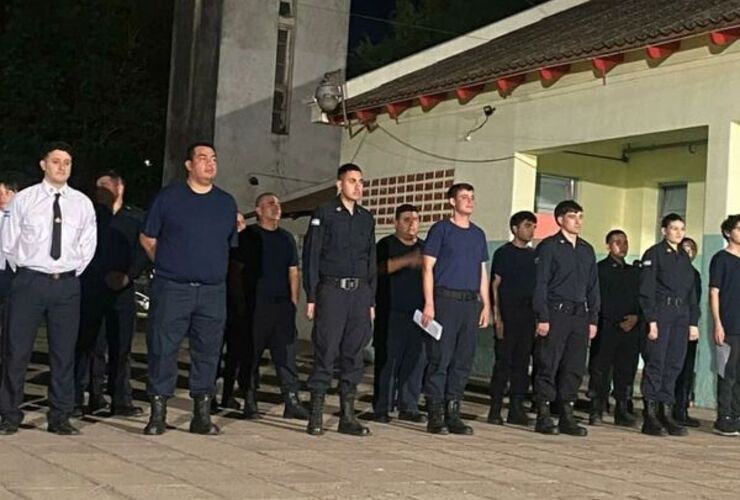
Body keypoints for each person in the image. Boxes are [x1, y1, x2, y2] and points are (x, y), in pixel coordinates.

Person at [139, 142, 238, 436]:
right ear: (188, 164)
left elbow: (228, 244)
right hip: (173, 288)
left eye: (214, 159)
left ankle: (202, 415)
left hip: (211, 291)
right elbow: (148, 238)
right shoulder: (169, 198)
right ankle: (158, 414)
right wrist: (169, 263)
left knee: (208, 352)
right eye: (203, 158)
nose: (209, 164)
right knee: (163, 349)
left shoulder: (225, 203)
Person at [0, 142, 97, 435]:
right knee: (16, 351)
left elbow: (87, 245)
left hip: (66, 284)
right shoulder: (25, 200)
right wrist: (31, 270)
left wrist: (67, 270)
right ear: (44, 164)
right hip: (30, 281)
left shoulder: (81, 203)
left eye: (67, 162)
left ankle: (60, 415)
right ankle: (9, 413)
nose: (62, 167)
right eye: (56, 161)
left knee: (63, 352)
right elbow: (9, 242)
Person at [302, 163, 376, 437]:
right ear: (339, 184)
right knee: (326, 350)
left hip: (359, 293)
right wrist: (311, 295)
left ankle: (347, 416)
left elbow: (371, 261)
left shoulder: (366, 219)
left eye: (360, 182)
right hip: (332, 291)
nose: (357, 187)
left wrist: (371, 300)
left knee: (354, 354)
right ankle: (316, 415)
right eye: (352, 181)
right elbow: (311, 256)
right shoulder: (324, 213)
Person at [74, 171, 150, 417]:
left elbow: (144, 250)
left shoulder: (136, 217)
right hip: (93, 286)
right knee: (89, 345)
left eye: (104, 186)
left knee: (121, 346)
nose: (99, 192)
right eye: (97, 188)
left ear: (119, 187)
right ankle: (85, 396)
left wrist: (129, 275)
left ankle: (120, 399)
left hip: (123, 289)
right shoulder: (90, 216)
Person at [421, 183, 490, 436]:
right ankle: (435, 414)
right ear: (452, 201)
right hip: (445, 300)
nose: (469, 201)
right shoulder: (441, 230)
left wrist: (486, 305)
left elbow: (481, 271)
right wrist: (429, 303)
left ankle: (453, 412)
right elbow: (428, 267)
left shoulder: (478, 234)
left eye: (472, 197)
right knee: (440, 358)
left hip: (470, 303)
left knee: (463, 360)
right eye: (464, 197)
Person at [234, 193, 307, 420]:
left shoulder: (286, 239)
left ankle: (292, 401)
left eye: (278, 204)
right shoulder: (248, 236)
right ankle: (249, 399)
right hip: (256, 306)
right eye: (270, 204)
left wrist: (293, 300)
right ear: (258, 210)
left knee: (286, 355)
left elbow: (293, 271)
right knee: (251, 355)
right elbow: (236, 270)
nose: (276, 207)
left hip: (282, 307)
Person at [532, 200, 599, 437]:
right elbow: (540, 284)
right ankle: (543, 413)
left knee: (574, 366)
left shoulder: (586, 249)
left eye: (581, 216)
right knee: (548, 363)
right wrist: (542, 316)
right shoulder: (549, 247)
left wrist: (593, 318)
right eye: (572, 216)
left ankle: (567, 414)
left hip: (579, 315)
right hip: (555, 312)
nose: (578, 221)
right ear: (560, 220)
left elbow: (593, 287)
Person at [639, 213, 699, 437]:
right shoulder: (654, 254)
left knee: (674, 363)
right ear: (664, 230)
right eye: (674, 228)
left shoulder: (684, 257)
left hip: (681, 314)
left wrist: (693, 322)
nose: (678, 232)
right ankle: (651, 415)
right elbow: (646, 289)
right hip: (662, 312)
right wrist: (651, 320)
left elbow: (691, 292)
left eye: (681, 228)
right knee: (657, 362)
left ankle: (666, 411)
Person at [373, 204, 427, 424]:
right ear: (396, 222)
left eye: (415, 219)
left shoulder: (425, 247)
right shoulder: (385, 245)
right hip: (390, 312)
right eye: (406, 219)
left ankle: (409, 405)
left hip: (419, 314)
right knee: (388, 361)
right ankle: (382, 407)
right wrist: (406, 261)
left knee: (415, 361)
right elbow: (377, 269)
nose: (412, 223)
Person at [487, 211, 537, 427]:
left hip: (528, 317)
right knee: (503, 364)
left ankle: (516, 408)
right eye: (527, 225)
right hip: (508, 315)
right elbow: (495, 285)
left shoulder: (534, 256)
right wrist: (497, 316)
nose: (531, 230)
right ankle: (495, 408)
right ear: (515, 229)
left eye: (533, 226)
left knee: (522, 363)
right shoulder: (503, 253)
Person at [587, 230, 640, 427]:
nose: (622, 245)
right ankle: (596, 408)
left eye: (625, 241)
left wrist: (635, 317)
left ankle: (622, 409)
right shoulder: (600, 269)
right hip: (607, 327)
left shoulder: (634, 272)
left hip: (630, 329)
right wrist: (617, 319)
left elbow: (639, 298)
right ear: (608, 245)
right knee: (601, 370)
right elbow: (598, 299)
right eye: (617, 242)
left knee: (626, 370)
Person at [709, 214, 740, 436]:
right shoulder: (721, 259)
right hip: (729, 325)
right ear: (728, 232)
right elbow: (714, 292)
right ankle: (724, 417)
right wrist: (718, 323)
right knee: (726, 373)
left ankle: (737, 415)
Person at [672, 236, 701, 427]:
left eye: (691, 249)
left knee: (687, 370)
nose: (688, 252)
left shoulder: (694, 274)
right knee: (671, 368)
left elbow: (695, 302)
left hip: (689, 326)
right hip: (672, 325)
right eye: (684, 248)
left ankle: (682, 408)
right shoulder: (672, 272)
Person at [0, 181, 18, 356]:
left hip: (11, 273)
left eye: (6, 192)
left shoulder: (19, 218)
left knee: (10, 322)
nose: (2, 197)